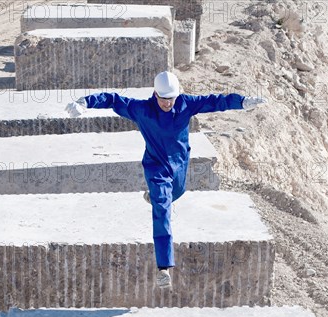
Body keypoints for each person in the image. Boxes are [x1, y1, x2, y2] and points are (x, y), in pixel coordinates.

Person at [65, 71, 267, 288]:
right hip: (156, 168)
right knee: (162, 208)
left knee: (177, 193)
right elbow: (113, 100)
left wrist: (242, 102)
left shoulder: (186, 104)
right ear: (155, 94)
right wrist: (85, 102)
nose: (167, 103)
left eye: (170, 98)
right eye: (162, 98)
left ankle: (154, 196)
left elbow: (215, 101)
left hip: (180, 165)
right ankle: (164, 268)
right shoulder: (142, 110)